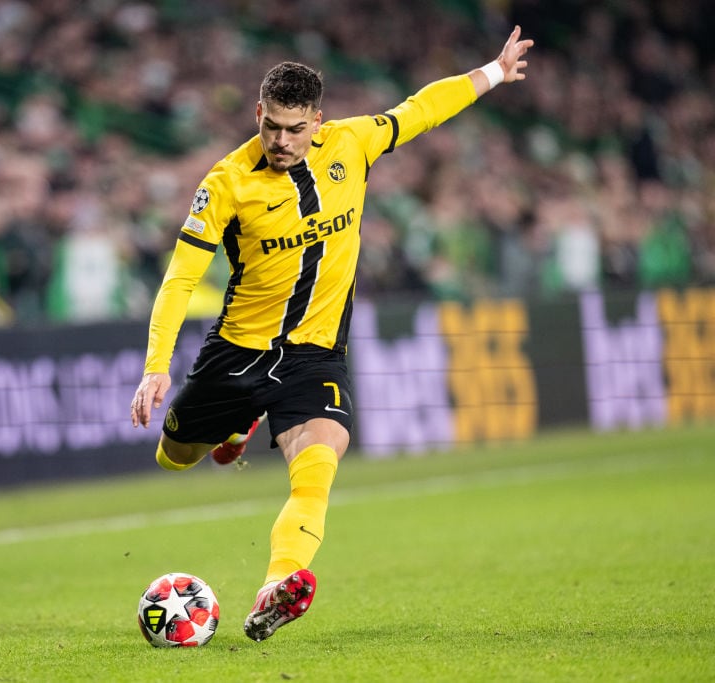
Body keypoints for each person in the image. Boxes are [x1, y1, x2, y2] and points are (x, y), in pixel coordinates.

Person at [130, 26, 534, 642]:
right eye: (272, 127)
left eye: (296, 129)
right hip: (238, 354)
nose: (282, 141)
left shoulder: (353, 142)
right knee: (174, 456)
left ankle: (276, 586)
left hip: (315, 355)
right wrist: (156, 365)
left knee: (317, 465)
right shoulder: (225, 183)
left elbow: (422, 109)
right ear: (257, 114)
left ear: (317, 121)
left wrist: (496, 72)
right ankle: (236, 426)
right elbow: (180, 278)